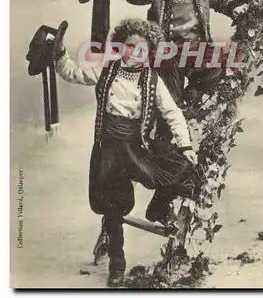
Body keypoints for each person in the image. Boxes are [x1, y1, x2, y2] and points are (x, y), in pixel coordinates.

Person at [55, 18, 197, 287]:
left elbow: (172, 113)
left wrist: (185, 144)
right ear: (121, 47)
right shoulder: (106, 71)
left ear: (151, 52)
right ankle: (117, 264)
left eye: (143, 49)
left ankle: (157, 207)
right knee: (113, 206)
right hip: (108, 149)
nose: (136, 53)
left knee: (182, 167)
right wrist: (60, 53)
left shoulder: (152, 80)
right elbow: (73, 72)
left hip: (136, 146)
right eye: (130, 46)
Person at [119, 0, 246, 107]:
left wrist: (233, 7)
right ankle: (175, 111)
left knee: (217, 68)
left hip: (196, 50)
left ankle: (191, 94)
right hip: (168, 54)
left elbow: (222, 0)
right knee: (169, 97)